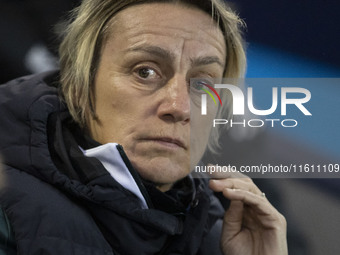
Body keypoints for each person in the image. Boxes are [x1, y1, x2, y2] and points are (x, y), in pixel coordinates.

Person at [0, 0, 288, 254]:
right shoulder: (8, 213)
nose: (180, 107)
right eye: (145, 72)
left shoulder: (224, 237)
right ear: (78, 87)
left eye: (204, 84)